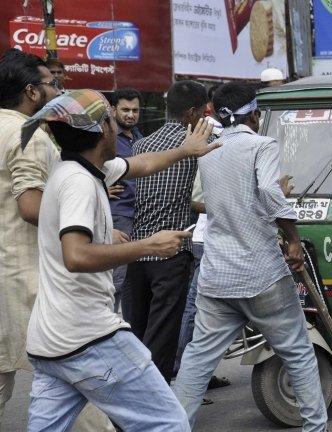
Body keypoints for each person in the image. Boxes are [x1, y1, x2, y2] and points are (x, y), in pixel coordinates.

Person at [20, 89, 219, 431]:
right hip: (88, 337)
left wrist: (185, 150)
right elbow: (77, 255)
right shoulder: (79, 182)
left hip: (51, 342)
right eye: (112, 118)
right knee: (169, 423)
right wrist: (149, 246)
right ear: (103, 131)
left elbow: (141, 164)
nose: (119, 124)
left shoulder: (82, 167)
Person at [173, 82, 328, 431]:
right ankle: (315, 427)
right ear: (255, 114)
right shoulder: (262, 145)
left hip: (217, 276)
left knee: (197, 359)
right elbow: (270, 194)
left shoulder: (208, 150)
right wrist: (293, 240)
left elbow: (213, 201)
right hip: (261, 274)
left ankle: (173, 427)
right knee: (298, 353)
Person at [125, 80, 208, 381]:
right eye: (203, 110)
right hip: (171, 252)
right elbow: (198, 199)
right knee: (162, 337)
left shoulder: (142, 144)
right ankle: (155, 407)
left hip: (137, 251)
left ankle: (132, 400)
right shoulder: (199, 146)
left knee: (136, 332)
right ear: (191, 112)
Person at [0, 47, 61, 424]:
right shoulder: (29, 134)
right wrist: (82, 222)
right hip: (27, 275)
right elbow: (32, 207)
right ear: (32, 92)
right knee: (68, 370)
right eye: (52, 83)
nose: (58, 91)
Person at [107, 88, 143, 314]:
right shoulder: (106, 137)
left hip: (138, 214)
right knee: (115, 281)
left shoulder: (139, 138)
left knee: (130, 280)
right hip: (118, 215)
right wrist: (101, 188)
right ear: (113, 110)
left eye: (135, 110)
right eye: (125, 110)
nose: (131, 115)